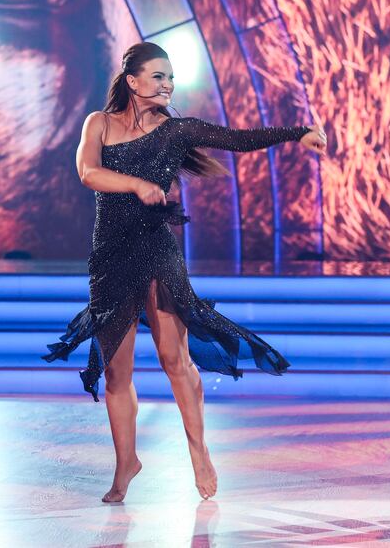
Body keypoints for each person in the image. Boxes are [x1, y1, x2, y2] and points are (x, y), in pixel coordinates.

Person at [43, 42, 327, 502]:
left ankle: (199, 451)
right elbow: (88, 173)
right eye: (158, 76)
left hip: (157, 252)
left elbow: (238, 138)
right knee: (116, 374)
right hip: (110, 258)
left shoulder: (176, 131)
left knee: (175, 359)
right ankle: (126, 465)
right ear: (132, 81)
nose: (167, 85)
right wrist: (136, 183)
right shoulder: (97, 123)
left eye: (170, 77)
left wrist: (298, 133)